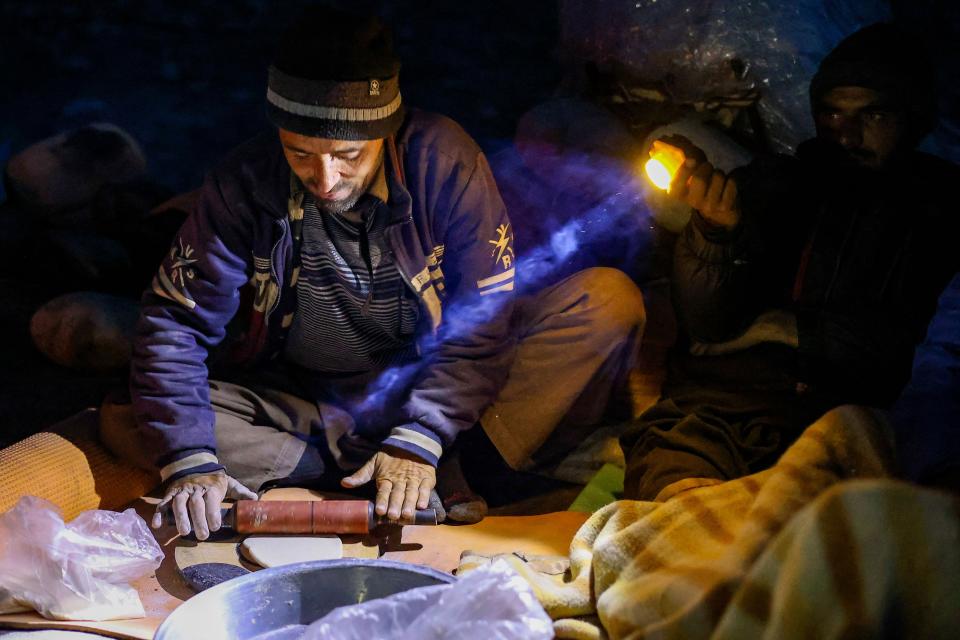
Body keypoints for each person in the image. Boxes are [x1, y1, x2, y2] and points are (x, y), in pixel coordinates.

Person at [102, 7, 645, 539]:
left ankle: (439, 464)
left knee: (606, 302)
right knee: (133, 418)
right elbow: (175, 325)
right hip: (304, 404)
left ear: (385, 131)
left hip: (428, 388)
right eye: (300, 154)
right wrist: (192, 462)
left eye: (347, 155)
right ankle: (365, 478)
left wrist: (421, 434)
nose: (324, 177)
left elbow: (483, 323)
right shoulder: (244, 182)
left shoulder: (444, 163)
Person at [621, 23, 960, 501]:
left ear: (913, 118)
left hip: (843, 414)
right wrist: (716, 232)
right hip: (727, 411)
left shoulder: (937, 209)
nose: (847, 135)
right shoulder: (779, 182)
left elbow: (911, 347)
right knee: (679, 498)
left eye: (874, 116)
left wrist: (786, 327)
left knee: (842, 529)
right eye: (832, 115)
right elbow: (707, 324)